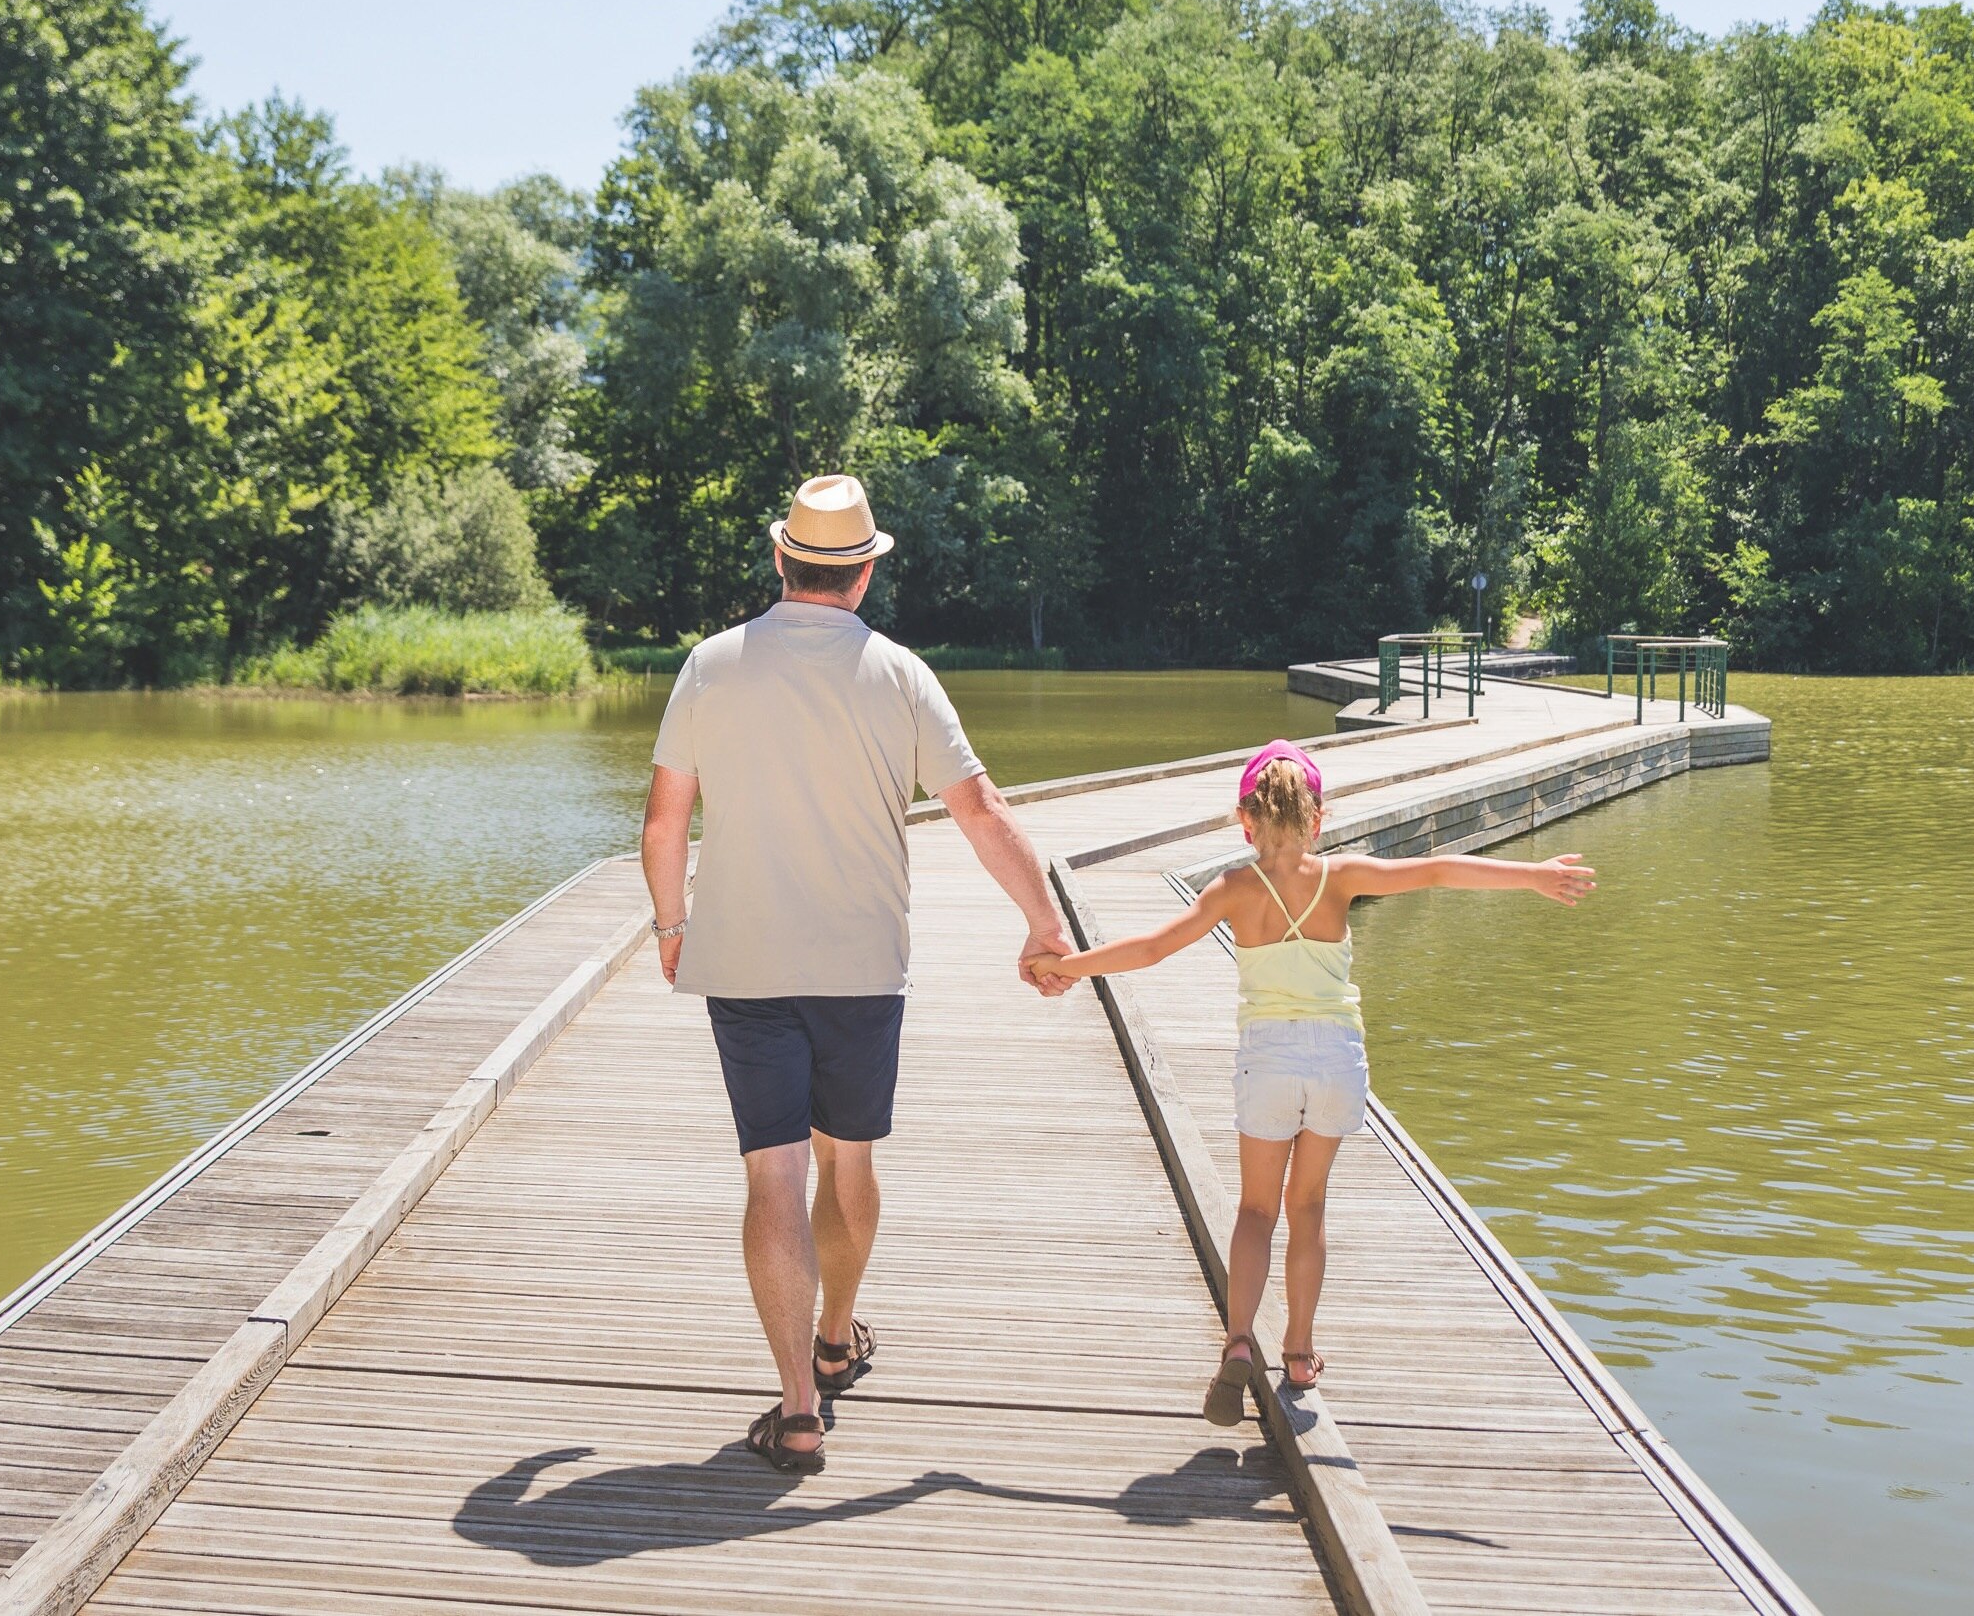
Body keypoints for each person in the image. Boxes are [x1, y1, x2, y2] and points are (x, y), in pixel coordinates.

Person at [641, 474, 1076, 1475]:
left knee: (774, 1176)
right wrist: (1043, 923)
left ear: (780, 559)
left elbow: (665, 823)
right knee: (850, 1161)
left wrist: (673, 923)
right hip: (862, 967)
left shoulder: (711, 668)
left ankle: (798, 1409)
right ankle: (837, 1337)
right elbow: (980, 809)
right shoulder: (901, 674)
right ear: (867, 570)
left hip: (745, 963)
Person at [1037, 740, 1594, 1422]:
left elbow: (1152, 949)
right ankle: (1298, 1352)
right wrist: (1532, 874)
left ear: (1245, 822)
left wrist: (1070, 966)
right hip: (1334, 1058)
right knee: (1307, 1207)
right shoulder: (1341, 876)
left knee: (1253, 1211)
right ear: (1317, 818)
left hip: (1267, 1059)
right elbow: (1438, 872)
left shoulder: (1233, 889)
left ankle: (1240, 1342)